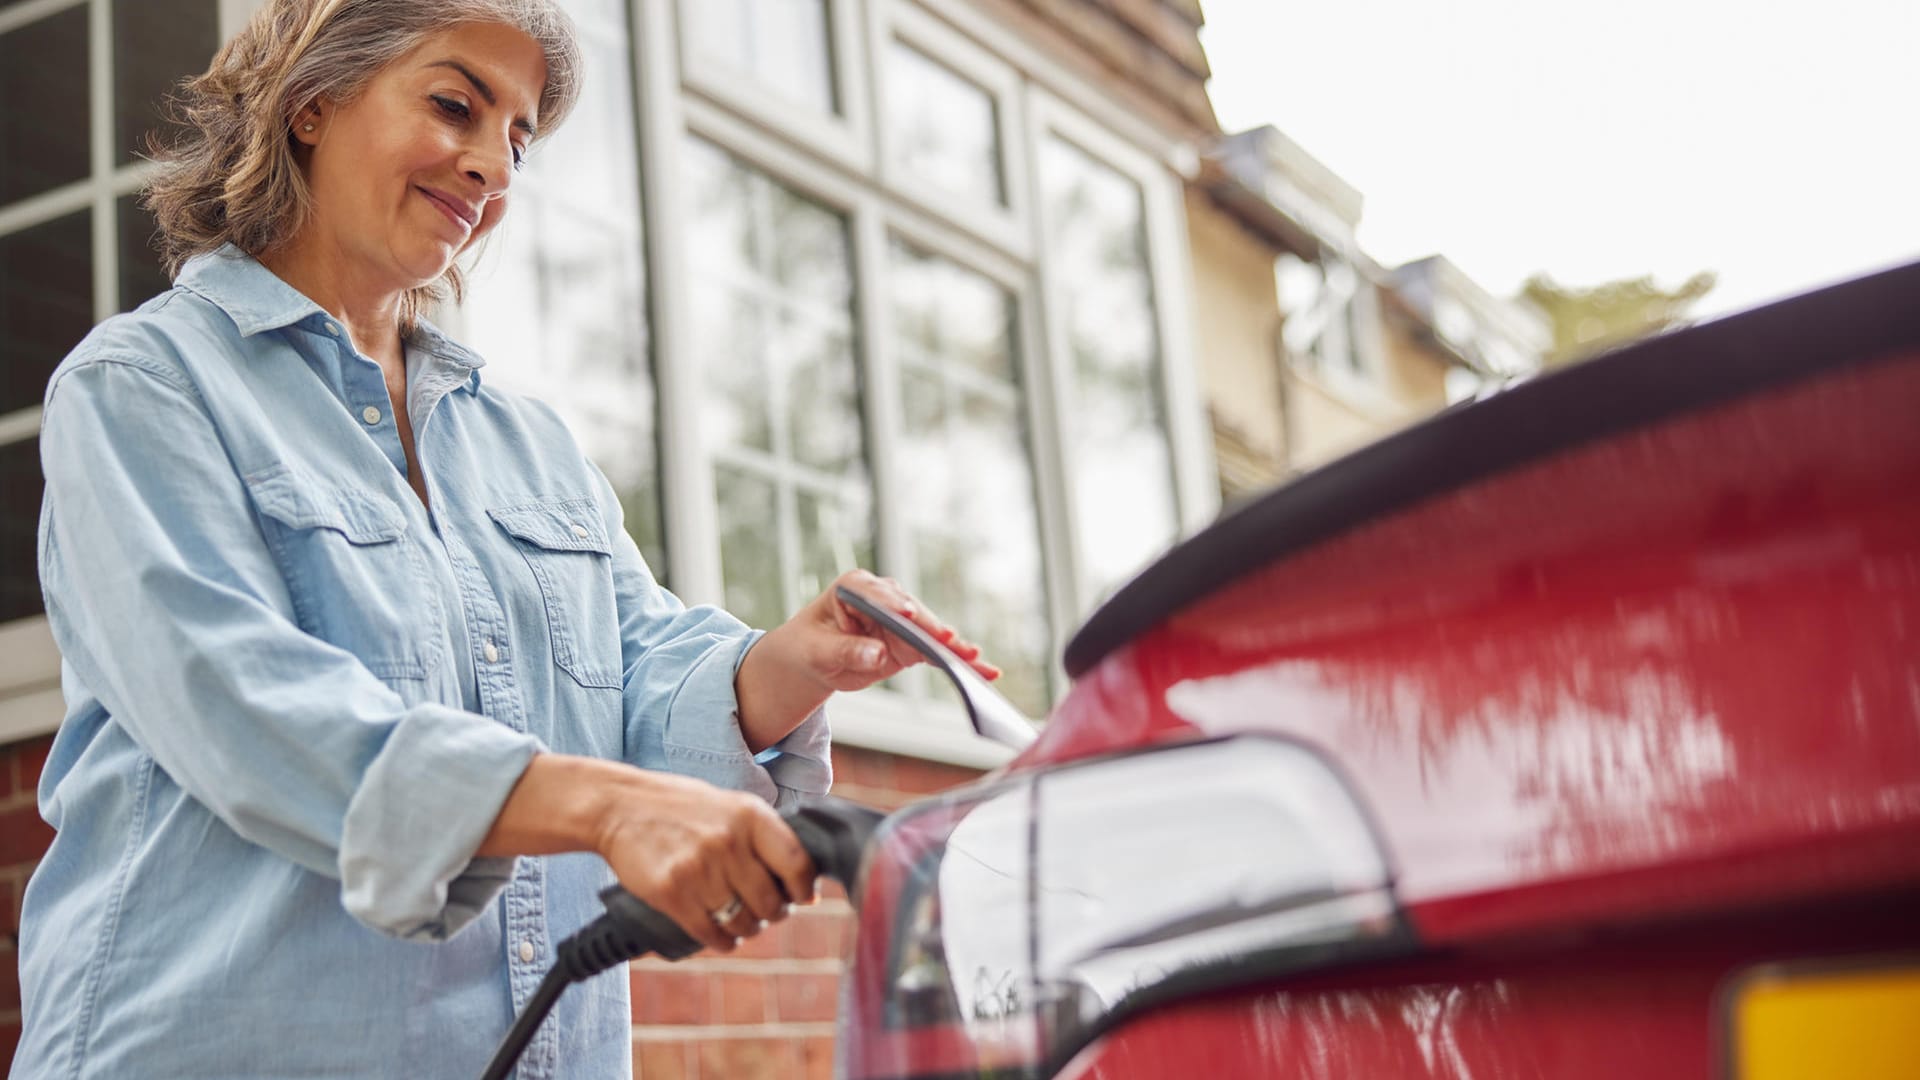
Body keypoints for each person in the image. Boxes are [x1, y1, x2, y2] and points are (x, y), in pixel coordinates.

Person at [11, 2, 997, 1076]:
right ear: (311, 105)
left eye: (518, 139)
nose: (492, 166)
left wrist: (783, 667)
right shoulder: (143, 390)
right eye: (454, 105)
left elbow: (631, 677)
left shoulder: (525, 443)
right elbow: (241, 706)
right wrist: (608, 807)